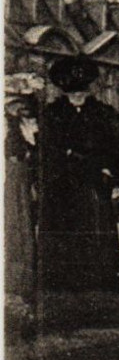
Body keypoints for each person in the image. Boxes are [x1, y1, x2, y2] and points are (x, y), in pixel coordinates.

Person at [38, 56, 119, 295]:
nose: (77, 96)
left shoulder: (102, 114)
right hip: (63, 189)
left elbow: (114, 150)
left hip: (95, 187)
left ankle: (101, 279)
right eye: (71, 92)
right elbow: (51, 152)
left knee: (98, 234)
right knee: (64, 236)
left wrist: (116, 179)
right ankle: (62, 282)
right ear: (62, 91)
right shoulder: (52, 115)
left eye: (81, 91)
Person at [5, 74, 41, 300]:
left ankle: (22, 283)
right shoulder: (7, 126)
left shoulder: (29, 125)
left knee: (22, 229)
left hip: (21, 182)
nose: (21, 108)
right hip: (9, 178)